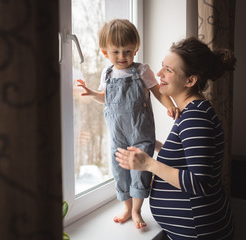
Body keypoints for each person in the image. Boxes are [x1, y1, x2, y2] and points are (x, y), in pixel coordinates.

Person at [115, 37, 236, 239]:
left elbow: (200, 183)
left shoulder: (196, 117)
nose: (159, 74)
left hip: (200, 232)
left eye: (169, 70)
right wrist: (156, 146)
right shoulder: (193, 111)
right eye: (162, 67)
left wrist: (148, 164)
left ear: (190, 80)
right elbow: (189, 160)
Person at [77, 19, 179, 229]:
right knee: (119, 171)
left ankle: (136, 210)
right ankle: (126, 207)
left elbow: (158, 92)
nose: (122, 57)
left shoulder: (142, 71)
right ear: (105, 52)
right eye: (116, 52)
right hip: (118, 136)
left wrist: (170, 105)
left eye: (128, 51)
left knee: (140, 173)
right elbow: (106, 98)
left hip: (140, 134)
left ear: (136, 50)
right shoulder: (107, 74)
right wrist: (92, 93)